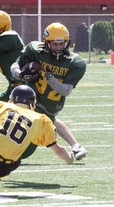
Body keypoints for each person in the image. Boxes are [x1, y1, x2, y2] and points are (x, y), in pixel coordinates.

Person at [11, 22, 87, 160]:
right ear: (46, 43)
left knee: (28, 145)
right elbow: (15, 64)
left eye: (61, 44)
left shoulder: (75, 62)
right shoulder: (35, 50)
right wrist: (19, 74)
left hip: (52, 102)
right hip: (31, 97)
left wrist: (50, 78)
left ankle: (75, 148)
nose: (58, 48)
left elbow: (66, 91)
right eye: (54, 44)